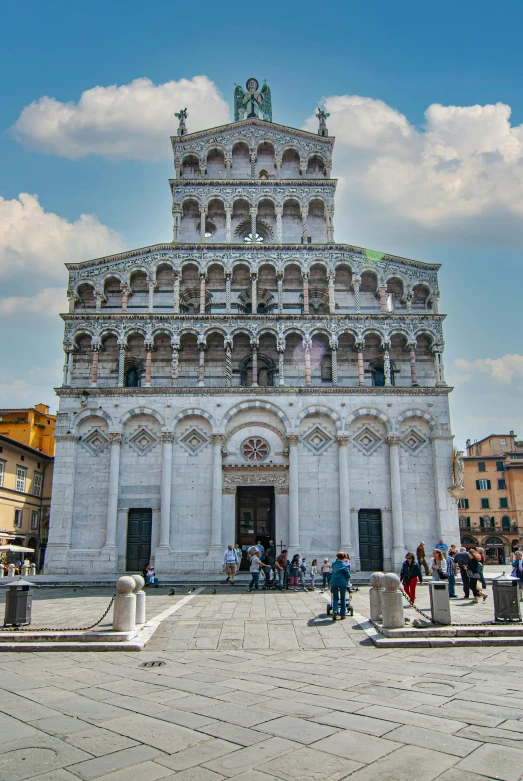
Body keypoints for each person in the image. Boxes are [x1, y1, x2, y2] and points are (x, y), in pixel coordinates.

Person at [330, 552, 351, 621]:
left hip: (334, 582)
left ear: (337, 557)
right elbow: (348, 575)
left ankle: (335, 611)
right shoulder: (345, 565)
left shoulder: (333, 564)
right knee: (343, 598)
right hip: (343, 583)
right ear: (344, 557)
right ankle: (343, 614)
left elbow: (332, 570)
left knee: (335, 598)